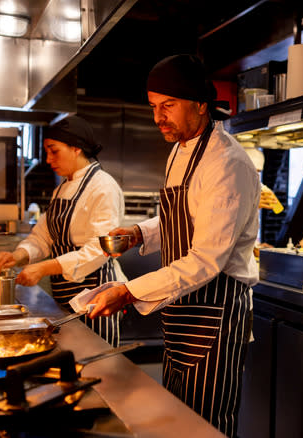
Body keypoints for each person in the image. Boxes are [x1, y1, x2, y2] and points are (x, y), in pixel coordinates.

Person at [84, 54, 260, 437]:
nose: (158, 117)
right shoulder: (180, 149)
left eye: (168, 106)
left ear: (200, 104)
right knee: (179, 421)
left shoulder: (227, 164)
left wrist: (129, 292)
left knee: (206, 426)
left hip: (215, 311)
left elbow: (206, 259)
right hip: (181, 311)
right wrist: (139, 233)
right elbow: (180, 219)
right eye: (153, 107)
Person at [0, 115, 125, 347]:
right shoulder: (61, 188)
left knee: (97, 361)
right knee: (73, 356)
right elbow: (43, 236)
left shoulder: (103, 187)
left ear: (76, 148)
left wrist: (43, 268)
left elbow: (99, 250)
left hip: (96, 296)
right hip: (65, 294)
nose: (48, 159)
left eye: (54, 151)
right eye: (46, 152)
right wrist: (17, 256)